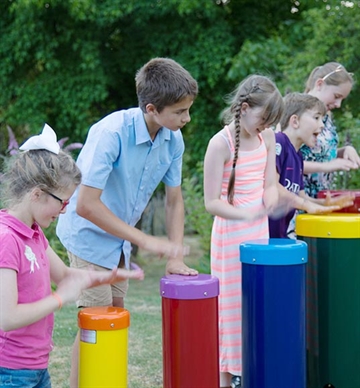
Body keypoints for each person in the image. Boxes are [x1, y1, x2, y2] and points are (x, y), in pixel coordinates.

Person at [55, 57, 199, 387]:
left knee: (114, 315)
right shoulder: (110, 133)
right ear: (152, 108)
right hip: (87, 235)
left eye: (187, 109)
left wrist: (174, 257)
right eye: (179, 111)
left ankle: (103, 380)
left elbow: (175, 200)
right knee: (97, 320)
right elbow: (87, 206)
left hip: (118, 240)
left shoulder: (172, 140)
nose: (187, 118)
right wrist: (145, 240)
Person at [0, 124, 144, 388]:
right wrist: (59, 298)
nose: (65, 210)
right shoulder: (6, 239)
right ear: (37, 194)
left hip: (36, 367)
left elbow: (65, 275)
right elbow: (7, 317)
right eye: (62, 202)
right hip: (11, 371)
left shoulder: (33, 234)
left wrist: (108, 276)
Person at [203, 74, 287, 388]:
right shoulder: (219, 143)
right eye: (264, 118)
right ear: (244, 108)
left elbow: (269, 184)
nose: (266, 126)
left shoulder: (267, 138)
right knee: (230, 310)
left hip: (258, 233)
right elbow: (212, 202)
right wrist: (244, 213)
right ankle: (225, 379)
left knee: (256, 304)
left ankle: (252, 373)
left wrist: (270, 202)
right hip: (229, 237)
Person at [269, 92, 354, 238]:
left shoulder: (298, 156)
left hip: (280, 236)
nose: (322, 125)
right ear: (295, 121)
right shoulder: (279, 142)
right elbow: (273, 186)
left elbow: (303, 198)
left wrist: (325, 204)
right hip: (263, 235)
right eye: (316, 118)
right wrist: (305, 205)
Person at [301, 62, 360, 198]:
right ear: (320, 84)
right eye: (336, 96)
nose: (338, 105)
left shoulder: (326, 116)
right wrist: (328, 166)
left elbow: (320, 155)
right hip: (297, 203)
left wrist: (344, 151)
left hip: (321, 200)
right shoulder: (296, 112)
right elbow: (284, 163)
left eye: (342, 100)